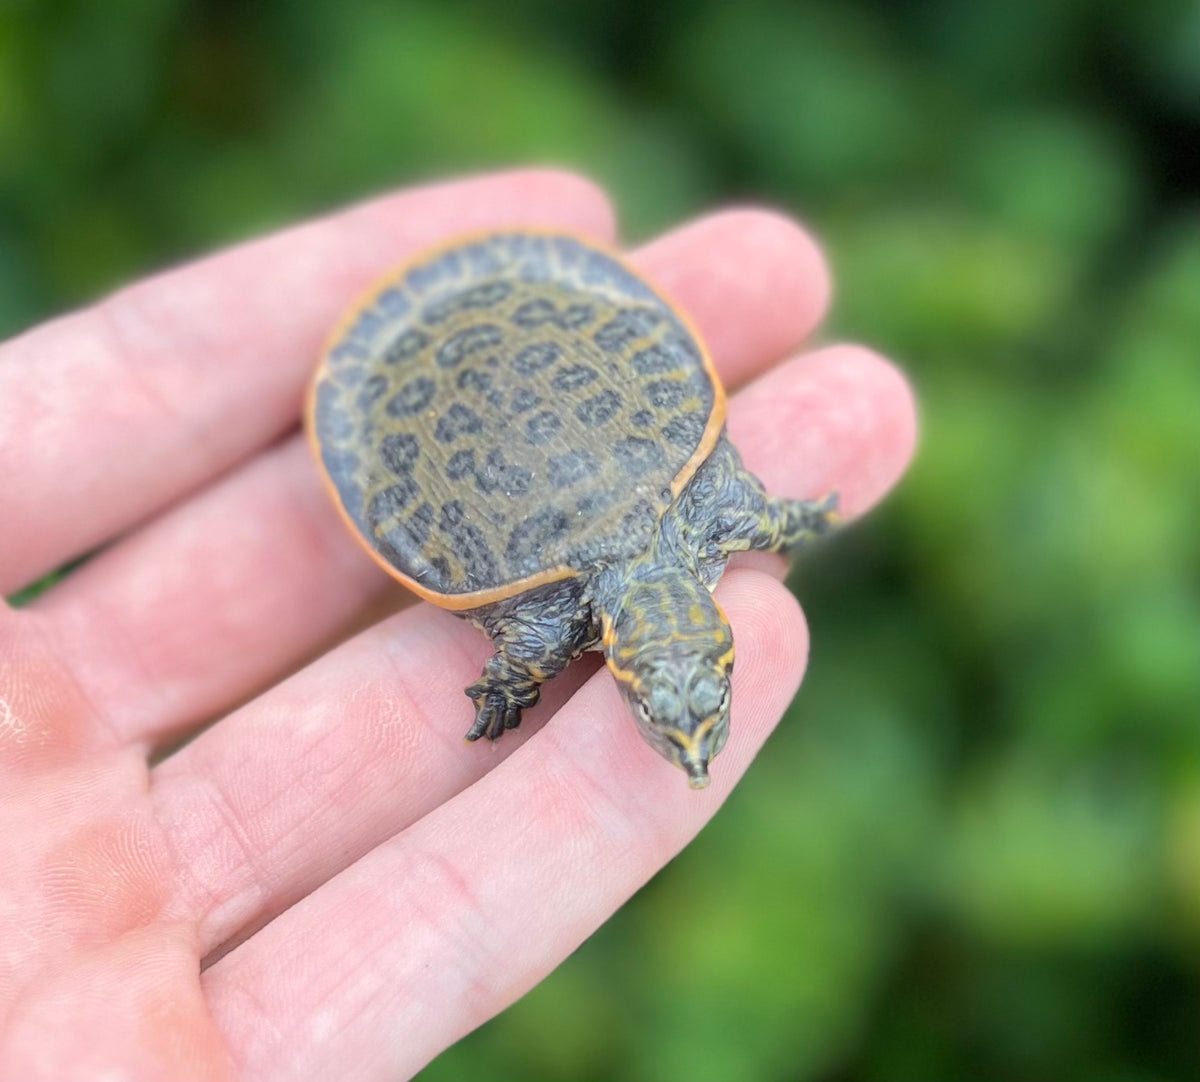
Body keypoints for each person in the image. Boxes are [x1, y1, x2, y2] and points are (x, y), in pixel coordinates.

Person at [0, 170, 915, 1080]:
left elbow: (734, 527)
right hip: (432, 382)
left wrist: (514, 689)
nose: (683, 732)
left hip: (520, 365)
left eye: (683, 709)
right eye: (682, 709)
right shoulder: (613, 587)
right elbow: (535, 645)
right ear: (642, 658)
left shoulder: (715, 518)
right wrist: (510, 687)